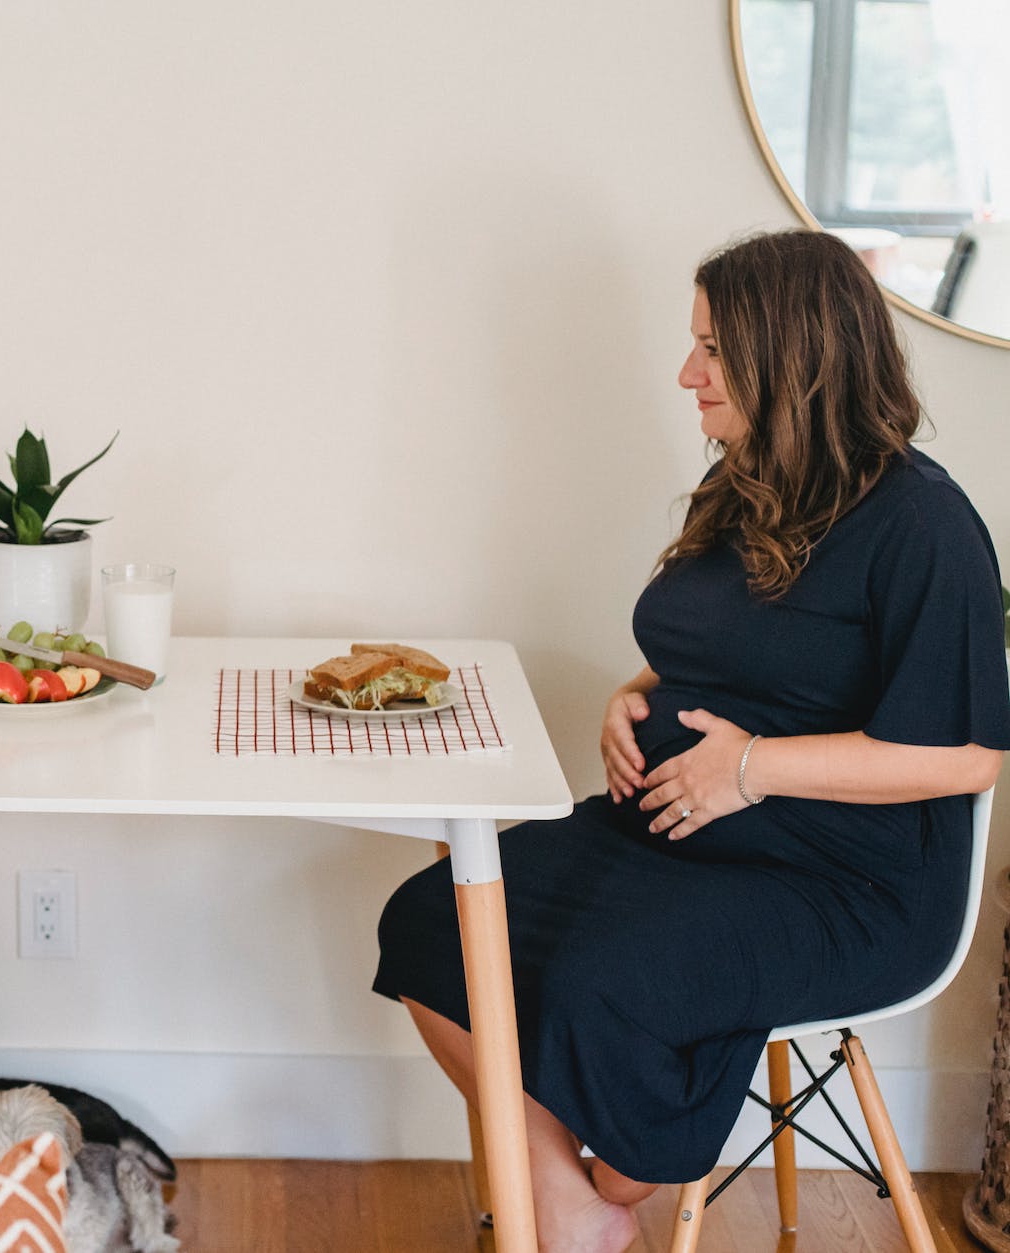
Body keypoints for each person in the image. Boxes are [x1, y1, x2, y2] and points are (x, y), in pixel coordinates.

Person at [373, 229, 1010, 1252]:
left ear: (789, 353)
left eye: (710, 349)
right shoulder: (745, 483)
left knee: (597, 979)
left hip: (842, 879)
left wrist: (748, 766)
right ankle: (572, 1208)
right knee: (432, 918)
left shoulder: (921, 524)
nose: (685, 374)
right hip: (666, 830)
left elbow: (964, 755)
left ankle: (616, 1176)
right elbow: (722, 650)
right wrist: (632, 698)